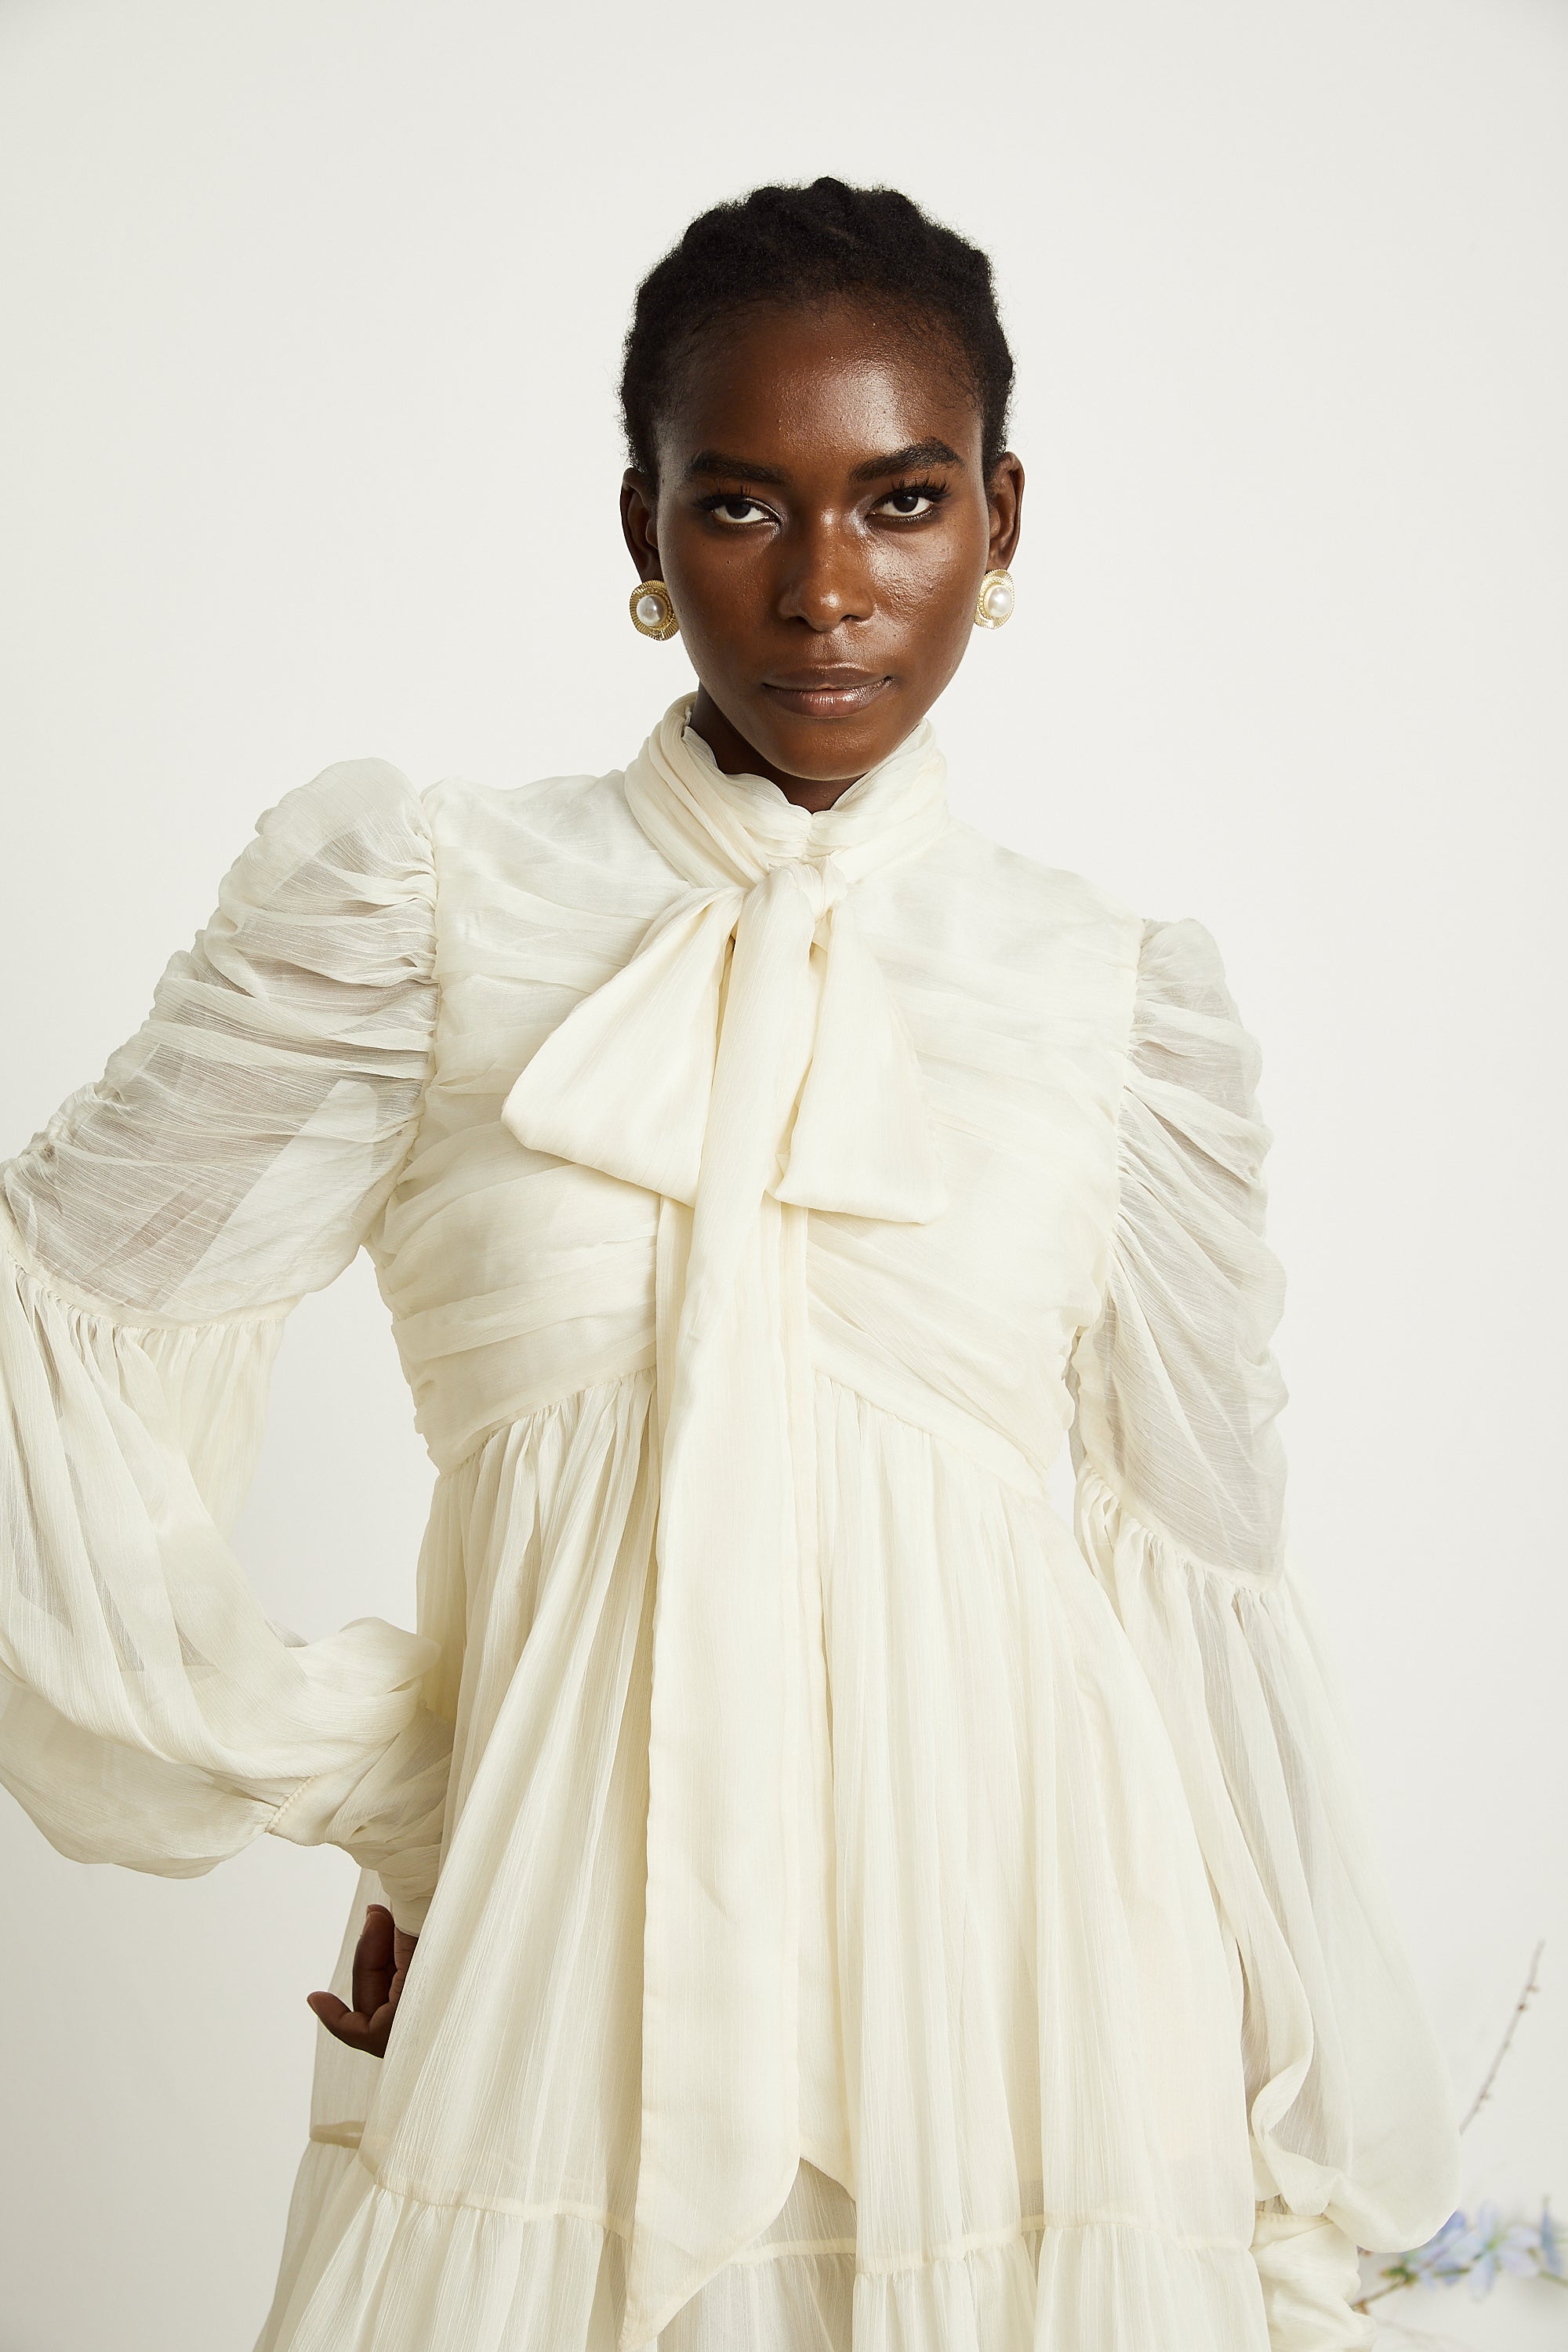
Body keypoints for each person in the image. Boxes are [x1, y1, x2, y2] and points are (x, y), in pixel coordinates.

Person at [0, 178, 1458, 2352]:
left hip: (1033, 2007)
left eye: (902, 502)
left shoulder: (1115, 1000)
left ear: (1001, 518)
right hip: (560, 1976)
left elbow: (1200, 1584)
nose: (827, 591)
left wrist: (1298, 2148)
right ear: (644, 526)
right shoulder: (426, 912)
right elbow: (51, 1324)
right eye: (743, 506)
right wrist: (403, 1774)